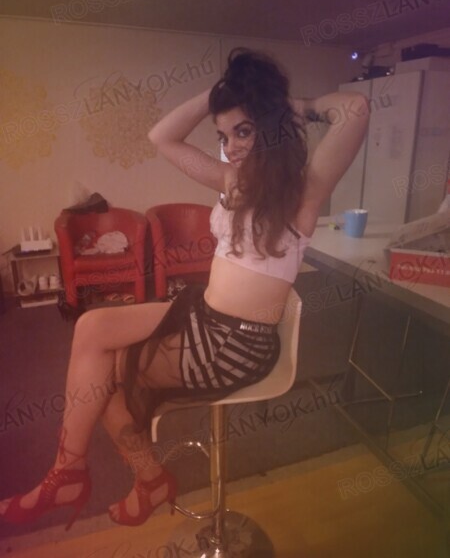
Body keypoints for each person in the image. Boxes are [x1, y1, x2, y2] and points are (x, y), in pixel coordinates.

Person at [0, 48, 369, 529]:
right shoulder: (232, 181)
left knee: (103, 376)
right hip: (202, 314)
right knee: (91, 327)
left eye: (244, 130)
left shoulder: (304, 191)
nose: (232, 146)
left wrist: (289, 105)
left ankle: (137, 478)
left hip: (234, 344)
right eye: (224, 136)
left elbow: (356, 109)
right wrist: (219, 93)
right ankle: (73, 472)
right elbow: (162, 137)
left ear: (270, 124)